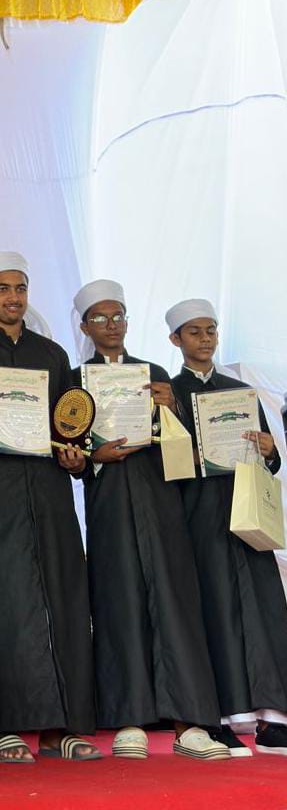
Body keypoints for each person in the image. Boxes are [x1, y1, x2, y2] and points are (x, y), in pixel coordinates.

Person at [0, 251, 98, 763]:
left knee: (61, 602)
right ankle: (7, 729)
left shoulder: (52, 355)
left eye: (20, 288)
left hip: (48, 494)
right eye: (3, 289)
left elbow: (70, 426)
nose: (13, 298)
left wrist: (75, 458)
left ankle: (61, 730)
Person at [71, 281, 226, 760]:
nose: (111, 325)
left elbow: (187, 445)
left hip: (161, 501)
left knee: (174, 603)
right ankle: (130, 721)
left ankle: (188, 724)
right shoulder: (74, 380)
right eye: (100, 318)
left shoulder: (155, 373)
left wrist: (171, 407)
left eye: (118, 316)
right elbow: (68, 450)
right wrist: (93, 456)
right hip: (110, 501)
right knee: (119, 603)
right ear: (85, 327)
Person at [167, 298, 287, 756]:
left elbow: (269, 463)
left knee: (263, 610)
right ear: (176, 339)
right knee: (214, 609)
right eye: (194, 331)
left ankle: (272, 719)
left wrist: (270, 450)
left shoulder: (241, 392)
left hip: (246, 516)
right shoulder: (169, 393)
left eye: (211, 330)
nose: (205, 339)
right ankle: (220, 719)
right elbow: (164, 464)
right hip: (199, 517)